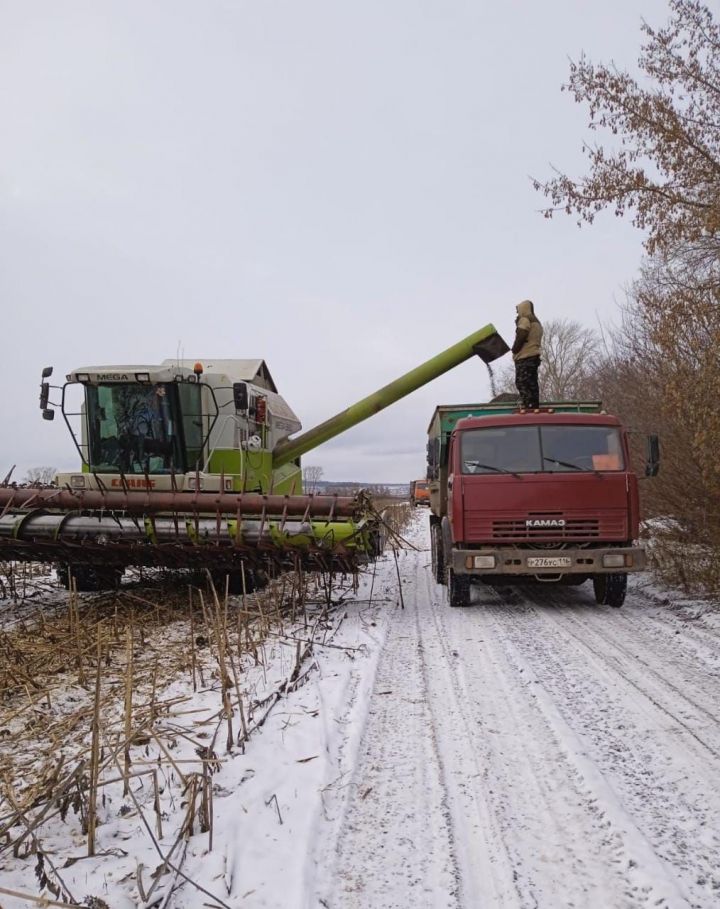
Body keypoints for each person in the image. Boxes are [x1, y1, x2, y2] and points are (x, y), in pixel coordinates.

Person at [512, 299, 543, 409]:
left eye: (518, 311)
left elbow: (522, 334)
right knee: (532, 384)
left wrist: (514, 349)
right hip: (534, 357)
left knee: (522, 383)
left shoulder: (525, 320)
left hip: (525, 357)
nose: (517, 313)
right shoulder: (537, 323)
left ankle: (528, 406)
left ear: (523, 309)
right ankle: (534, 406)